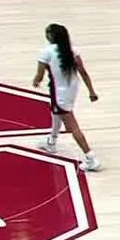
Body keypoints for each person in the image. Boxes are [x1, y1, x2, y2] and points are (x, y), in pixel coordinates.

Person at [33, 23, 101, 172]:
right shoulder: (72, 50)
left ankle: (91, 157)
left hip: (59, 93)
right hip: (72, 90)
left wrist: (36, 81)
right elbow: (83, 72)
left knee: (72, 126)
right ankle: (52, 141)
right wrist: (91, 91)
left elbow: (40, 75)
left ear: (50, 36)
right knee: (56, 113)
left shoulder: (46, 52)